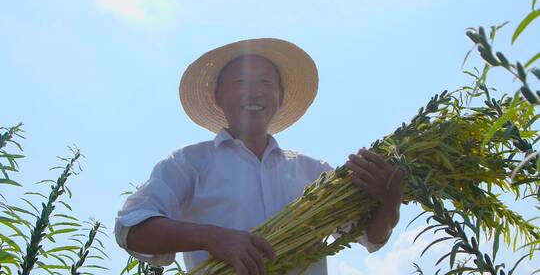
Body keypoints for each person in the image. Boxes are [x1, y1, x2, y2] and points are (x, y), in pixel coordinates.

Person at [114, 38, 404, 275]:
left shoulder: (315, 173)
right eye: (240, 82)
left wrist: (390, 202)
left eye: (265, 83)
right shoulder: (188, 164)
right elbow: (131, 228)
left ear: (280, 96)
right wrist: (213, 237)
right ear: (218, 96)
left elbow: (371, 236)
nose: (253, 92)